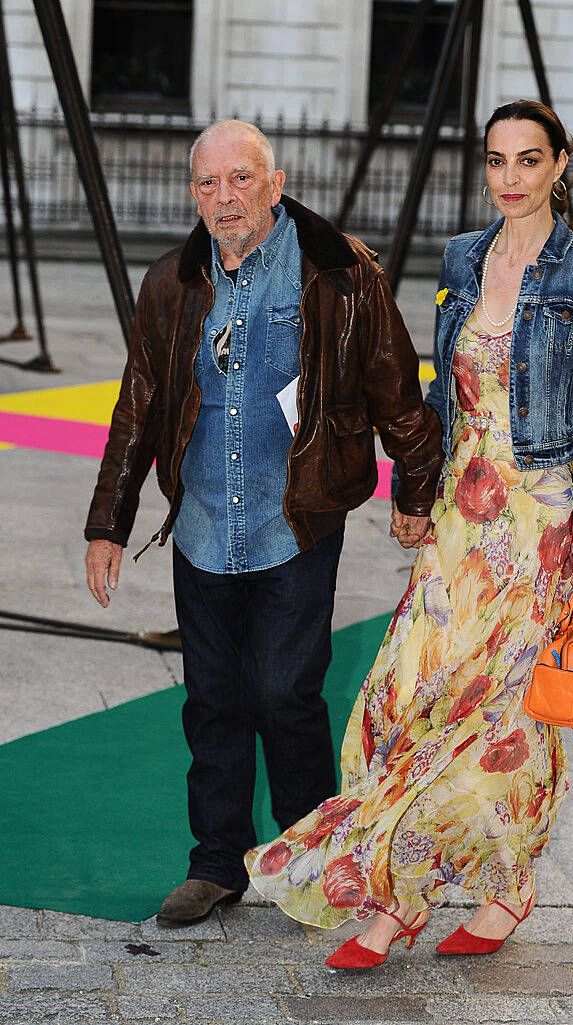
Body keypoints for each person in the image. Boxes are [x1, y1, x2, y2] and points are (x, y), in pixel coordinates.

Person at [245, 100, 573, 967]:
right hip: (461, 514)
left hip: (538, 524)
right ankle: (405, 884)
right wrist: (417, 489)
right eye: (496, 161)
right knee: (403, 695)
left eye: (529, 160)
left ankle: (474, 893)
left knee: (501, 715)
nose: (511, 178)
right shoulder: (460, 256)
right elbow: (438, 394)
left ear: (560, 164)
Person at [84, 120, 443, 926]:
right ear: (193, 193)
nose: (224, 198)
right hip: (205, 521)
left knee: (282, 691)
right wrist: (108, 522)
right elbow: (136, 406)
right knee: (211, 697)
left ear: (274, 184)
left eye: (240, 179)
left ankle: (304, 854)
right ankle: (216, 863)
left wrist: (416, 491)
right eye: (208, 184)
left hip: (296, 519)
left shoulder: (340, 275)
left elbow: (395, 386)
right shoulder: (169, 283)